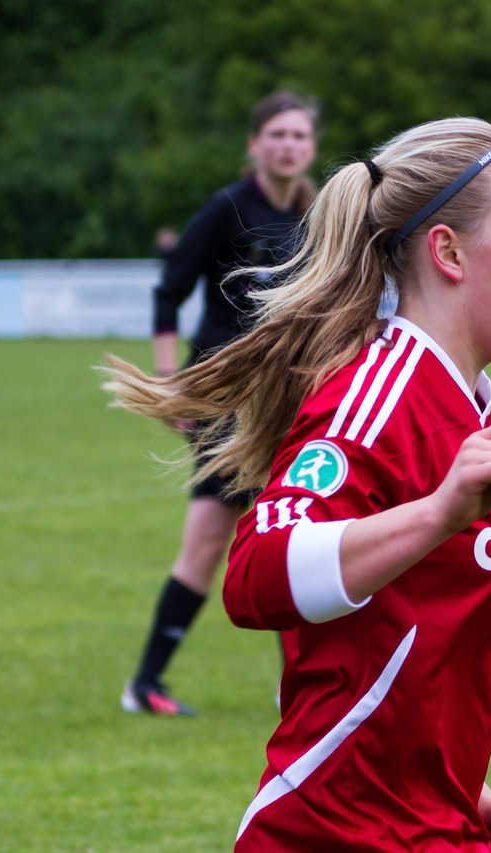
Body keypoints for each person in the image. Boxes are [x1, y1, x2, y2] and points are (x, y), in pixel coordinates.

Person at [103, 118, 491, 851]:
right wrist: (437, 513)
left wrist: (472, 797)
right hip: (329, 834)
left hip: (432, 830)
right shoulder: (377, 398)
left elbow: (402, 657)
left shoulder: (463, 408)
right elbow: (256, 574)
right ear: (448, 250)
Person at [121, 92, 319, 716]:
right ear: (254, 145)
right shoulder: (227, 207)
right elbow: (168, 292)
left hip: (282, 396)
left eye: (299, 136)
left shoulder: (313, 218)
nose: (288, 145)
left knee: (280, 530)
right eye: (277, 134)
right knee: (233, 535)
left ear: (311, 148)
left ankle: (299, 684)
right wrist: (168, 379)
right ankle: (148, 684)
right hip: (220, 396)